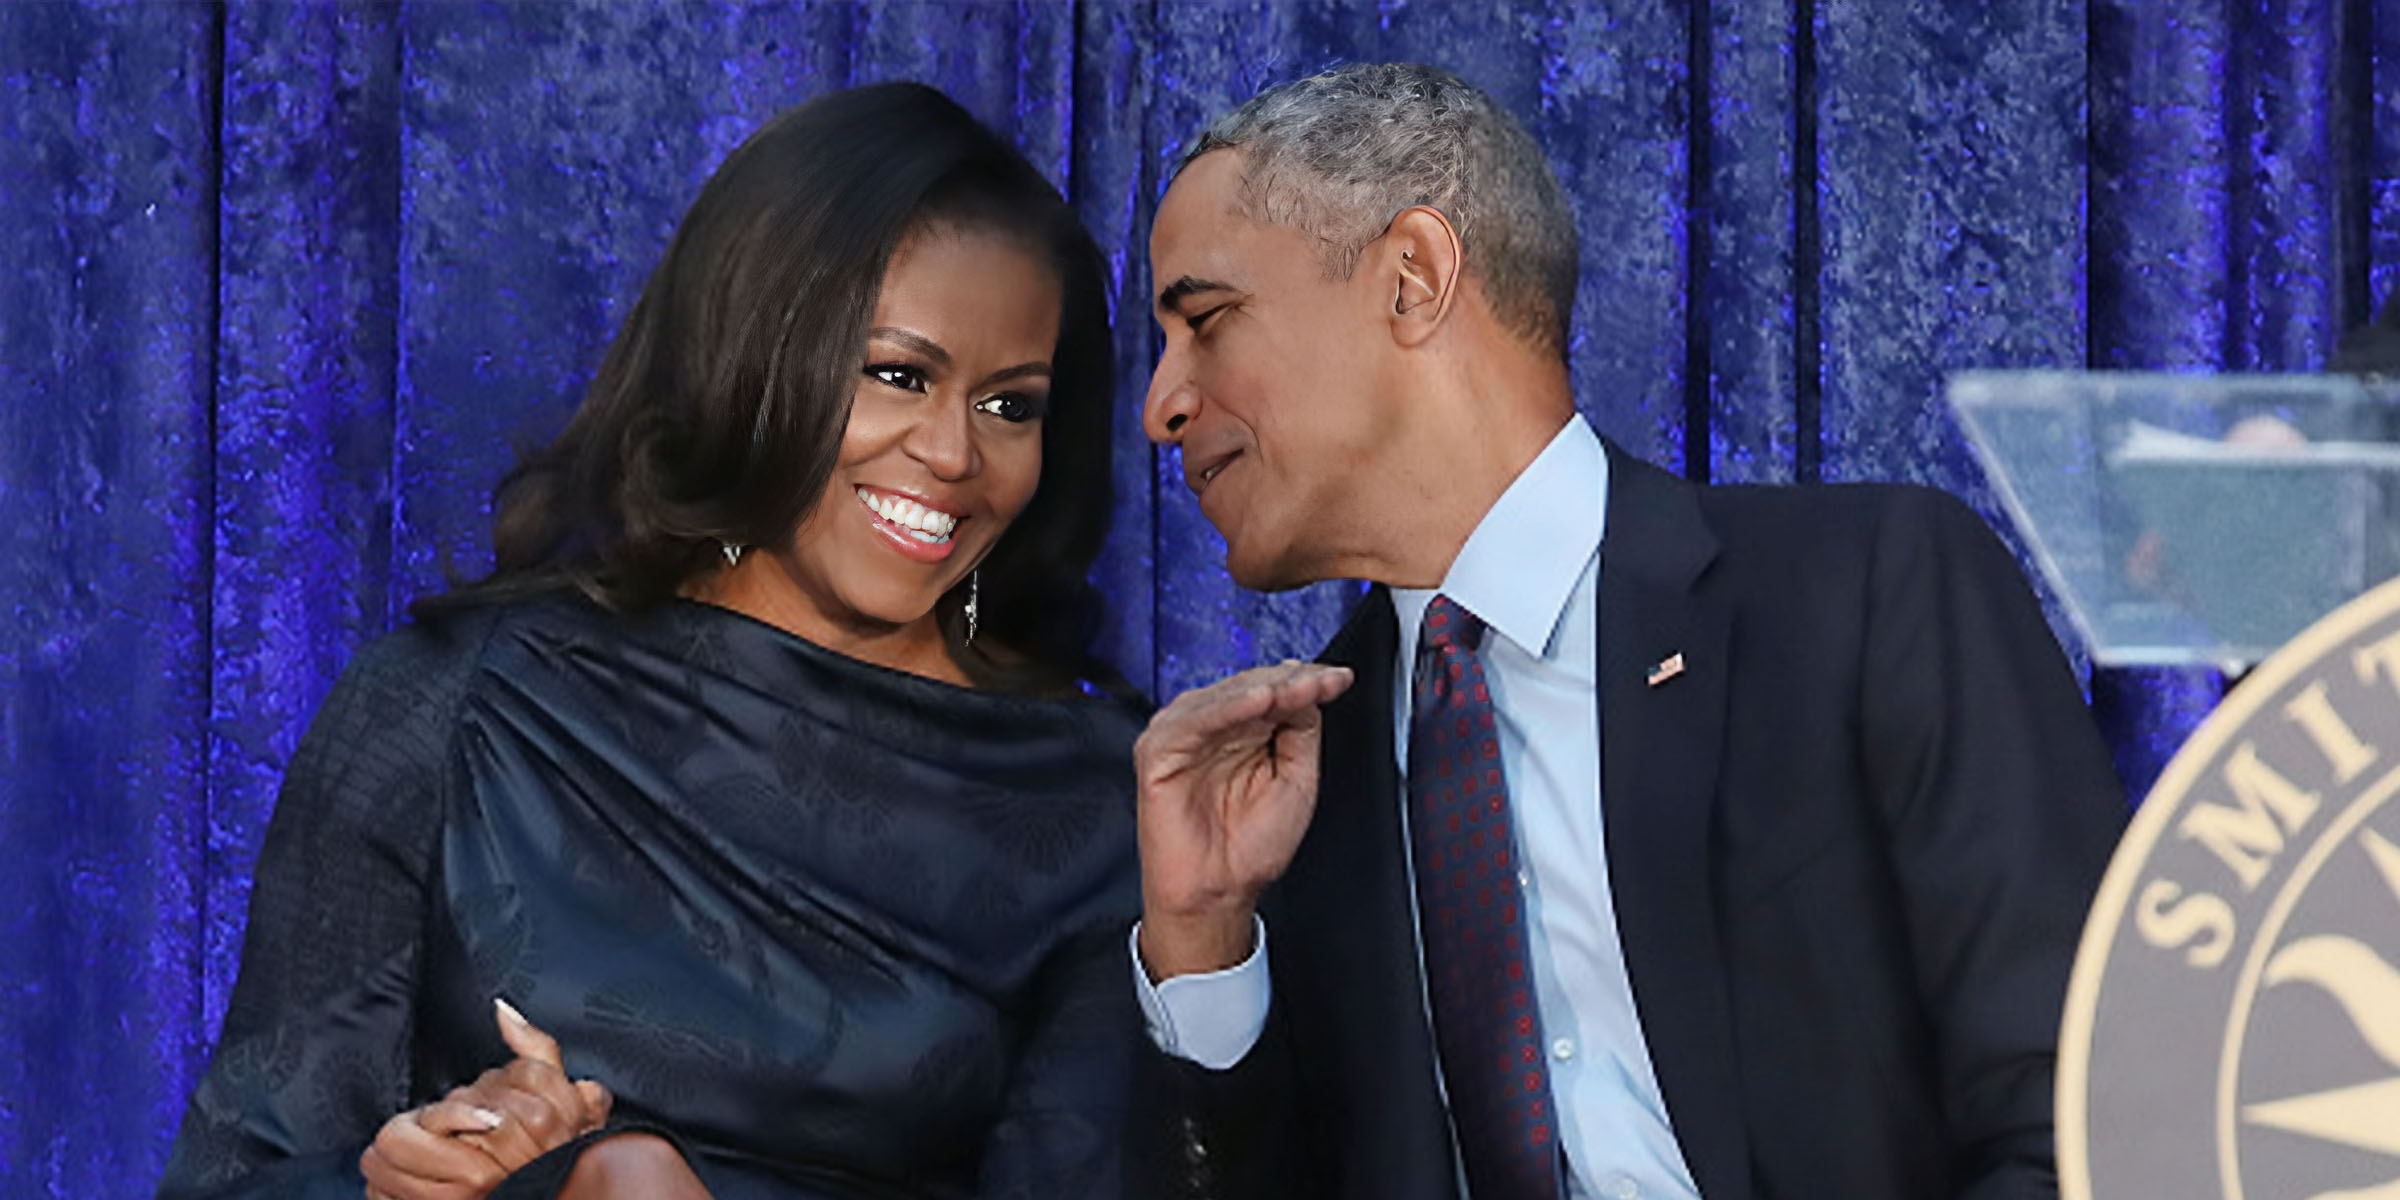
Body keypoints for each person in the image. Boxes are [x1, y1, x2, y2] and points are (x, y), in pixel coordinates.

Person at [1124, 63, 2129, 1200]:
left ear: (1413, 278)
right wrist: (1204, 942)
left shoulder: (1875, 594)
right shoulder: (1289, 797)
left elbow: (2098, 1123)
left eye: (1205, 321)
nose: (1163, 403)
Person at [157, 82, 1141, 1200]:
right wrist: (417, 1183)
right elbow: (229, 1183)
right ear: (750, 352)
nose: (955, 455)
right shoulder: (456, 704)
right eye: (898, 375)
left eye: (1010, 406)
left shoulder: (1095, 793)